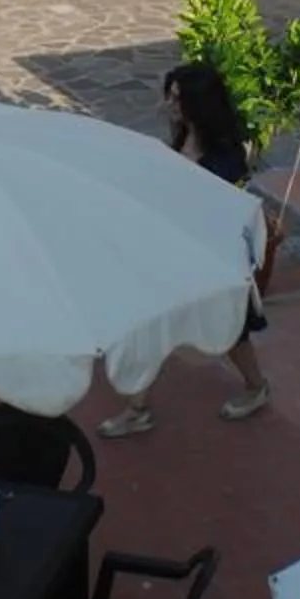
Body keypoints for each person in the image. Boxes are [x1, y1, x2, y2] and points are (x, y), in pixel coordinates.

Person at [99, 62, 271, 436]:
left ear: (200, 104)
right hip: (171, 251)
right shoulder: (183, 136)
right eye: (171, 95)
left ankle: (257, 387)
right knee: (146, 322)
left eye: (178, 98)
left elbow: (205, 204)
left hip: (210, 256)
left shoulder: (226, 156)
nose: (170, 104)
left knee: (231, 329)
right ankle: (137, 407)